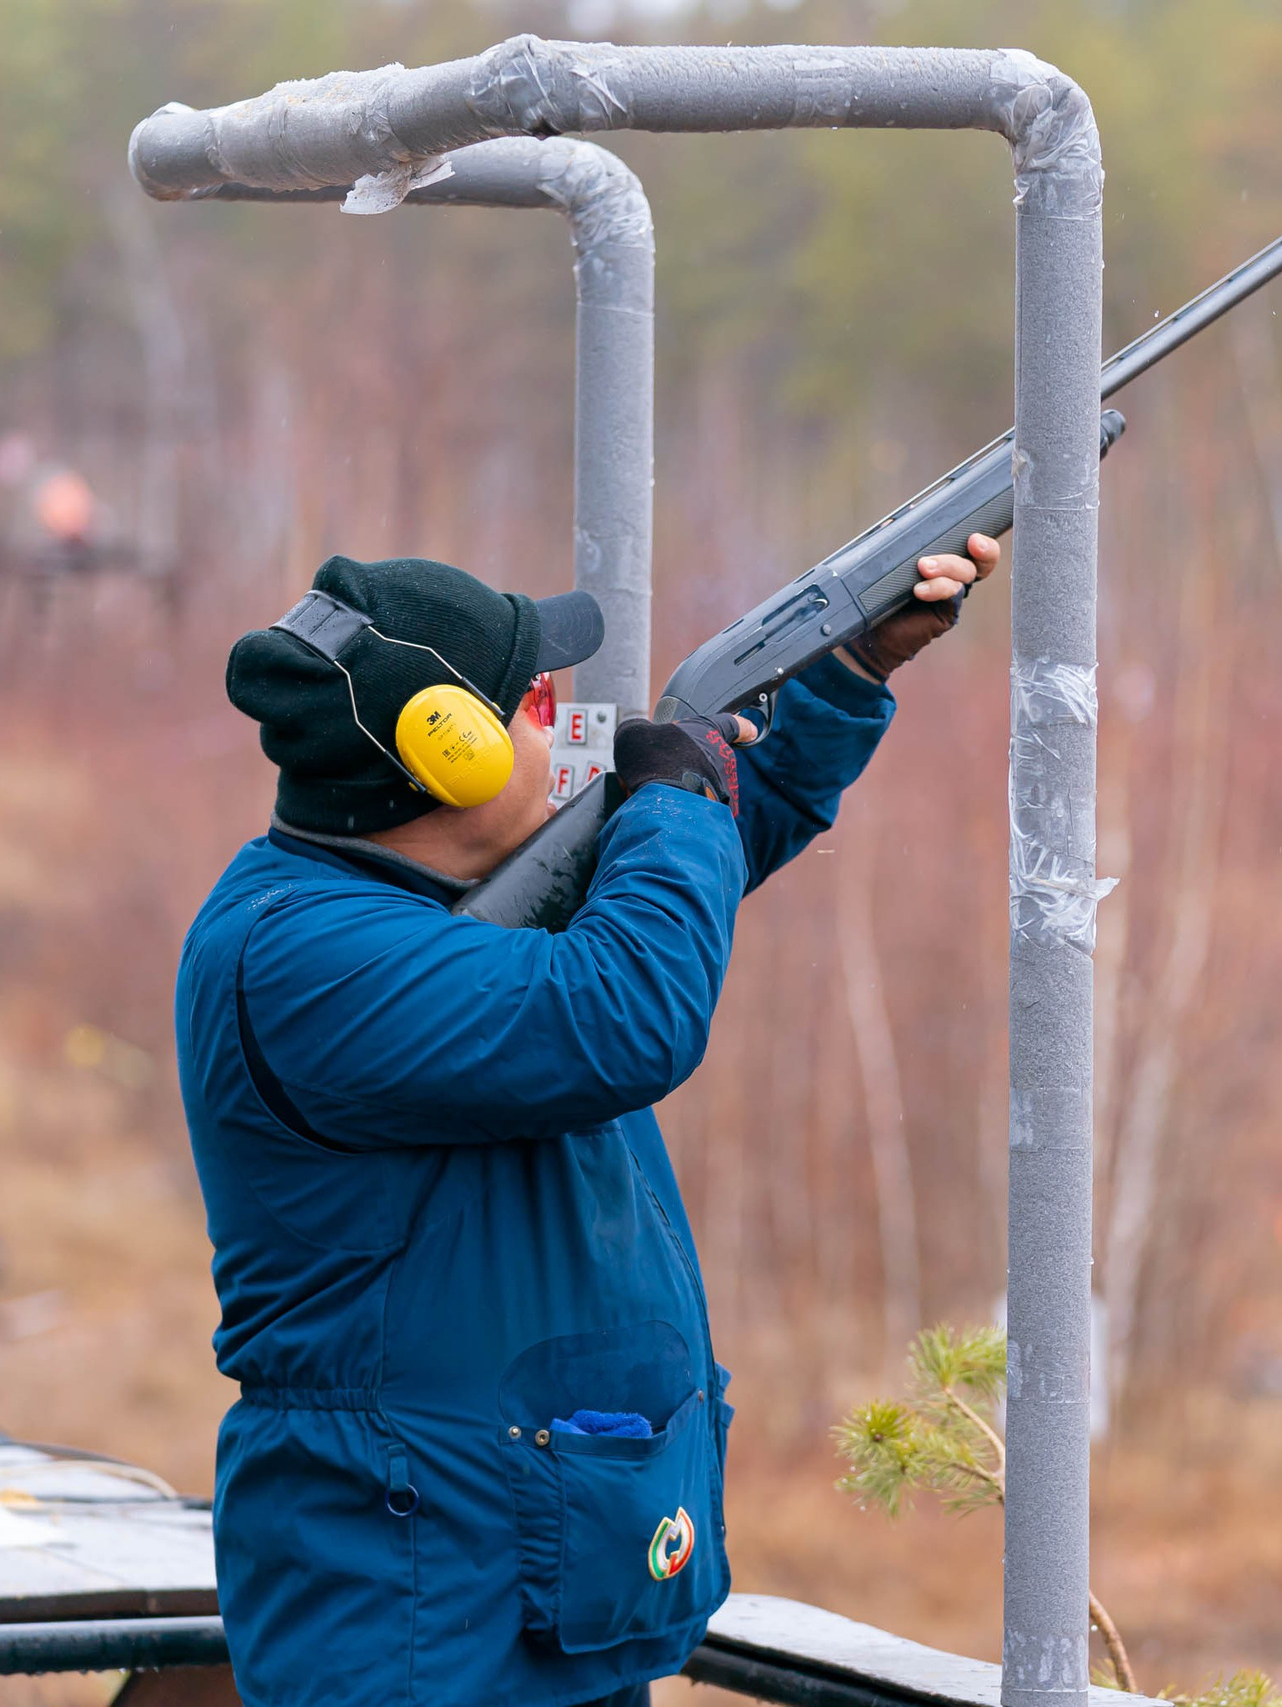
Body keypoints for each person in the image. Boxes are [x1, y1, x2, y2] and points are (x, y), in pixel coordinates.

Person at [174, 536, 997, 1707]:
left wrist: (845, 669)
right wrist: (670, 788)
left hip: (531, 1560)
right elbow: (628, 1009)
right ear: (445, 757)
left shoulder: (424, 904)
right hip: (409, 1602)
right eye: (528, 700)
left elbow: (684, 875)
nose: (564, 717)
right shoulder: (301, 954)